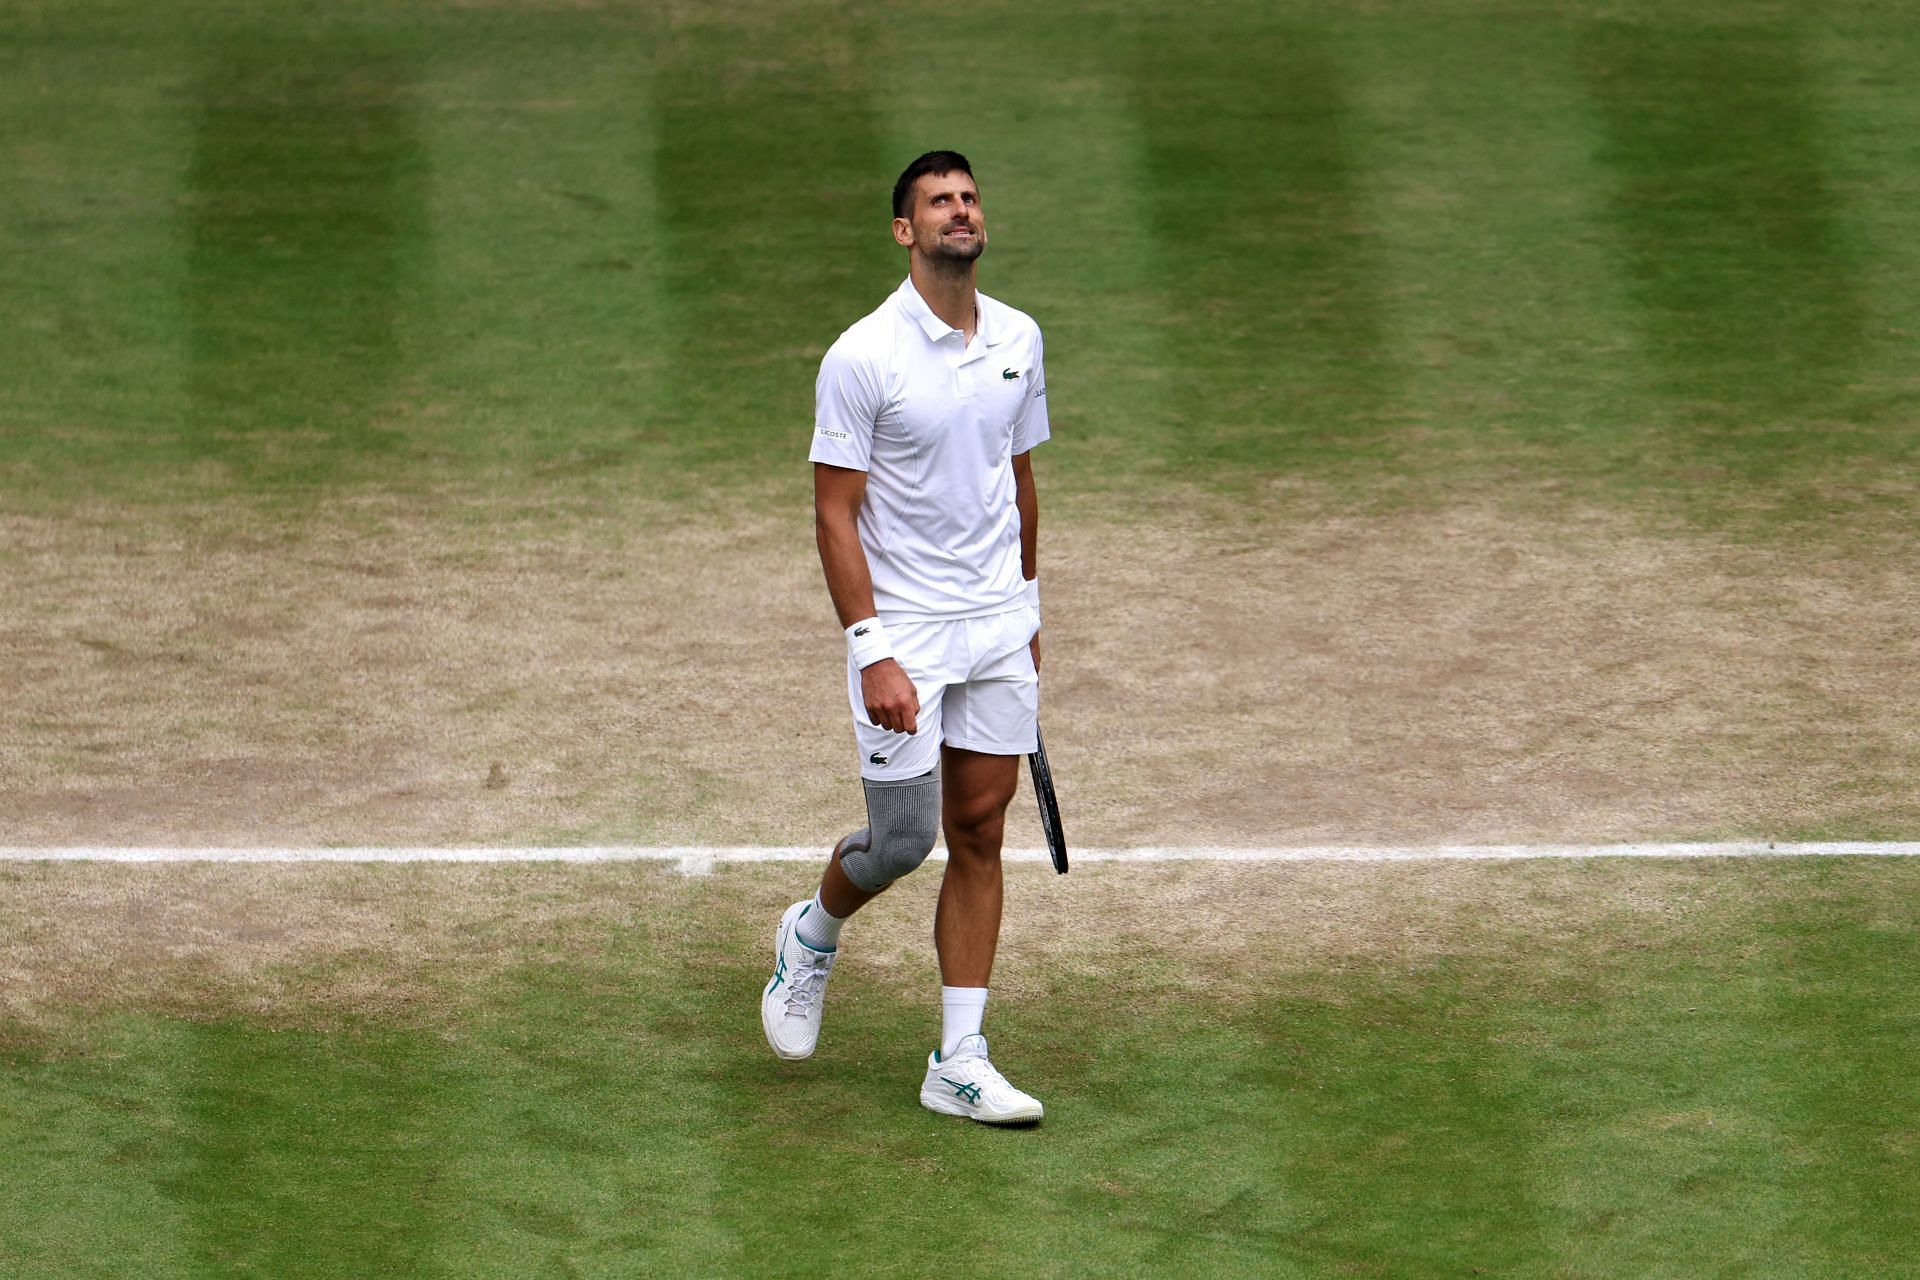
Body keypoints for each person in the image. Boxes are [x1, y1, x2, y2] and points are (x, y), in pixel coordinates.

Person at [760, 150, 1050, 1125]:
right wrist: (872, 646)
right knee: (901, 837)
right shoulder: (863, 356)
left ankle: (957, 1058)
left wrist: (1030, 608)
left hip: (997, 626)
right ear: (904, 230)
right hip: (908, 633)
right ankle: (811, 934)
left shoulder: (1018, 336)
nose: (960, 211)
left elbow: (1019, 480)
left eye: (969, 197)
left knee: (979, 831)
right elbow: (833, 514)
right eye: (939, 201)